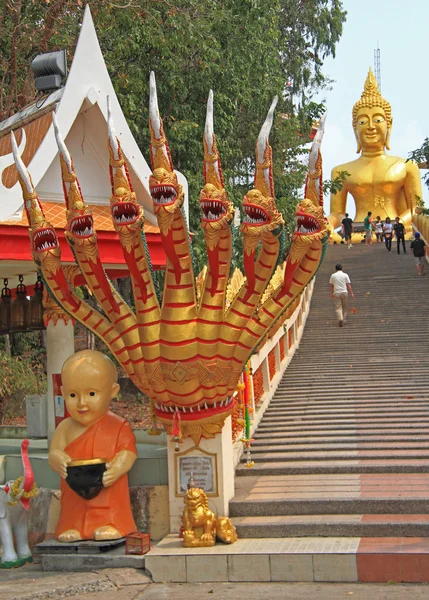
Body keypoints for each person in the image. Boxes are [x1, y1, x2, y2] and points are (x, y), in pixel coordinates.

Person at [49, 350, 137, 542]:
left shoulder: (119, 426)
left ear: (112, 392)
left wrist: (118, 467)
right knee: (73, 506)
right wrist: (58, 460)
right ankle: (72, 526)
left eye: (91, 394)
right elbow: (54, 452)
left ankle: (114, 523)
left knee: (109, 500)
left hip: (106, 486)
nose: (82, 403)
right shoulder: (64, 427)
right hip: (75, 489)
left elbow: (127, 452)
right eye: (72, 395)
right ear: (63, 393)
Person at [328, 69, 423, 236]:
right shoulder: (340, 172)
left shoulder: (406, 166)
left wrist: (398, 223)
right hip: (357, 232)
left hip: (398, 230)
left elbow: (417, 209)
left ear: (389, 124)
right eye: (363, 121)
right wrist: (329, 224)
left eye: (378, 120)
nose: (371, 126)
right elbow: (337, 213)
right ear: (354, 127)